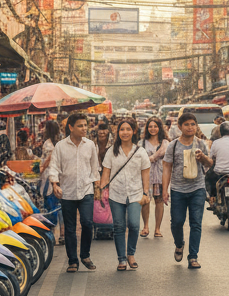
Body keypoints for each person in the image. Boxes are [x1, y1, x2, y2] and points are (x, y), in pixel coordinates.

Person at [49, 111, 101, 273]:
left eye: (85, 125)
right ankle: (73, 261)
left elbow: (95, 168)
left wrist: (97, 187)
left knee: (87, 223)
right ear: (71, 128)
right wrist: (55, 184)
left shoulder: (90, 145)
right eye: (80, 126)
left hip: (86, 190)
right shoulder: (60, 146)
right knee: (70, 228)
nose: (84, 128)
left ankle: (85, 255)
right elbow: (54, 167)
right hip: (67, 192)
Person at [99, 118, 151, 271]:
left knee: (134, 224)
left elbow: (145, 174)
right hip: (116, 193)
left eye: (128, 129)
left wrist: (145, 192)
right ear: (118, 132)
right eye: (122, 129)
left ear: (134, 131)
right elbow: (106, 173)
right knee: (119, 226)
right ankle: (121, 259)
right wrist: (101, 190)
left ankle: (131, 254)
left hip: (135, 193)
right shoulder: (111, 151)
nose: (125, 132)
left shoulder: (140, 152)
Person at [162, 111, 212, 270]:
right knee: (177, 222)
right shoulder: (173, 145)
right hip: (177, 189)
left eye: (193, 124)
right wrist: (165, 190)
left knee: (196, 223)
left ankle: (193, 257)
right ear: (180, 127)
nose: (190, 127)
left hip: (197, 188)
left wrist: (202, 157)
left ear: (196, 126)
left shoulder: (201, 144)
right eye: (186, 125)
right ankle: (179, 244)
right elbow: (167, 167)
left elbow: (209, 163)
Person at [140, 117, 169, 237]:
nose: (153, 129)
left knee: (159, 201)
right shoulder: (142, 143)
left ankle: (157, 229)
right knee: (145, 201)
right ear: (147, 128)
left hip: (161, 175)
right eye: (150, 126)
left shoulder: (165, 143)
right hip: (146, 176)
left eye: (155, 126)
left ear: (159, 128)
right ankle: (145, 227)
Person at [38, 119, 63, 245]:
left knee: (51, 206)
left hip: (49, 177)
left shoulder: (48, 144)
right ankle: (61, 234)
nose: (42, 130)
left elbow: (48, 159)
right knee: (59, 207)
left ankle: (52, 235)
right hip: (59, 176)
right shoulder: (61, 142)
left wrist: (41, 169)